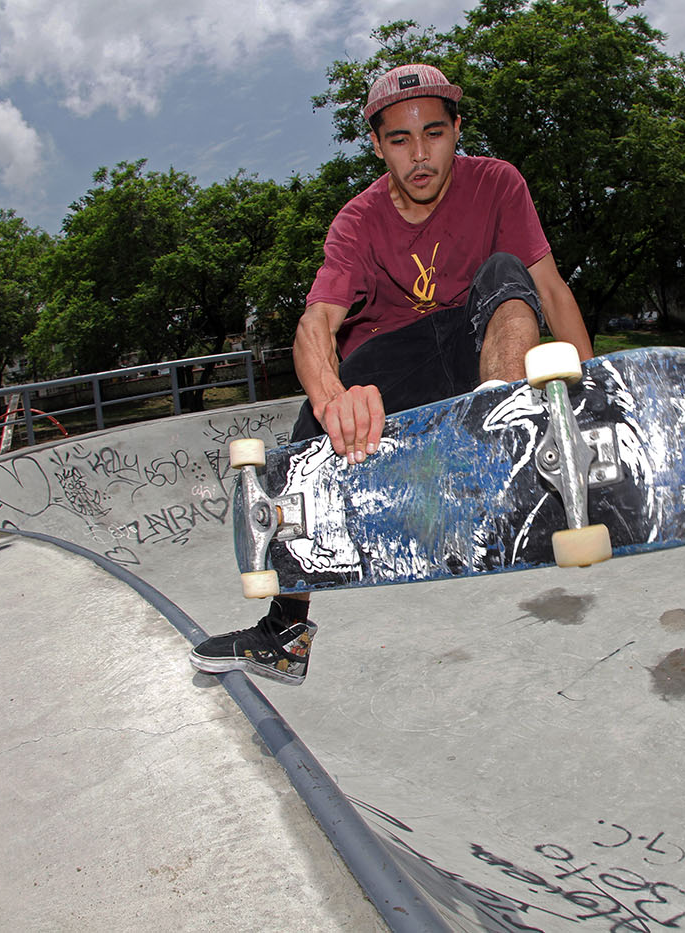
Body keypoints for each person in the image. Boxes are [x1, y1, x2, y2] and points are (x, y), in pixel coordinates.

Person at [190, 63, 594, 685]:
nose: (421, 156)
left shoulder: (497, 184)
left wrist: (594, 399)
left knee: (508, 276)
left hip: (475, 351)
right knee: (312, 425)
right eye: (400, 142)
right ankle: (284, 633)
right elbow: (316, 326)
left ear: (457, 129)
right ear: (378, 147)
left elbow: (552, 292)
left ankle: (506, 439)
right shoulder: (356, 221)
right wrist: (332, 400)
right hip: (391, 369)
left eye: (434, 134)